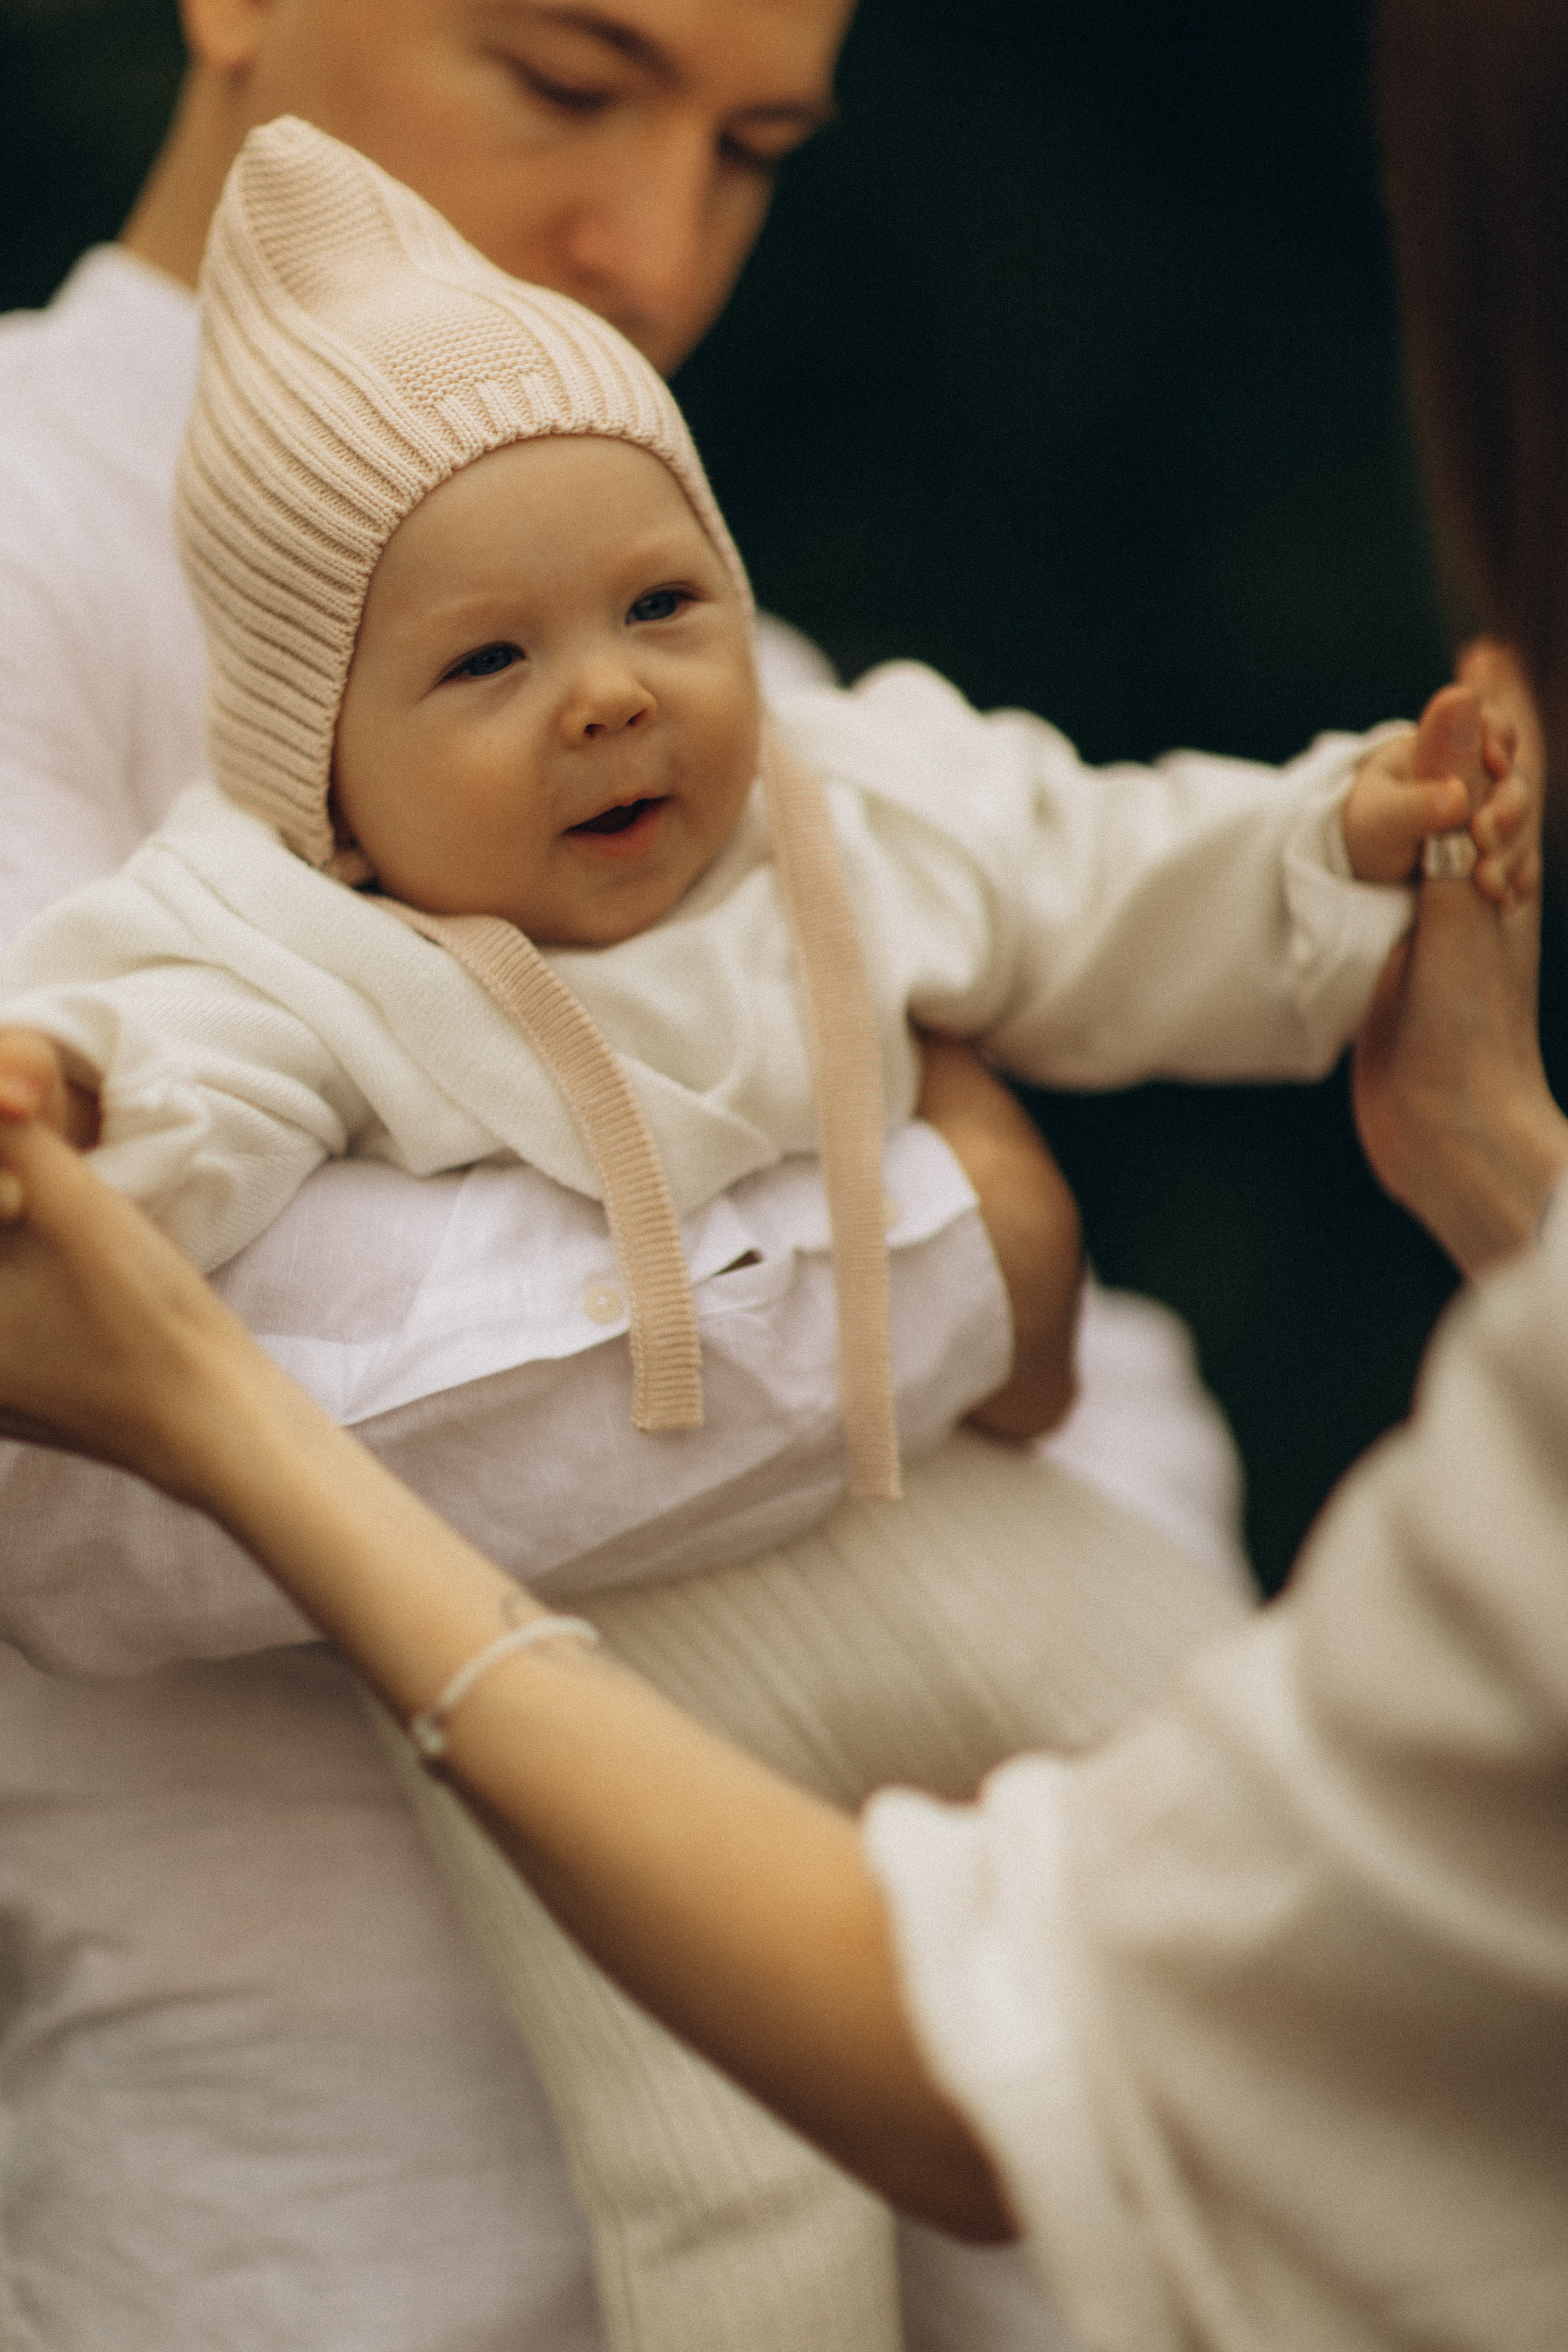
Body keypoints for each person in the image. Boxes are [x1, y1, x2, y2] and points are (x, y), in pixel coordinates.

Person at [6, 0, 1568, 2339]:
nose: (654, 243)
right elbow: (94, 1437)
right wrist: (968, 1246)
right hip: (315, 2245)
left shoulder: (726, 698)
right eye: (565, 79)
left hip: (985, 2194)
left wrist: (1329, 862)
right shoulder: (50, 562)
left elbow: (1115, 1383)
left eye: (755, 148)